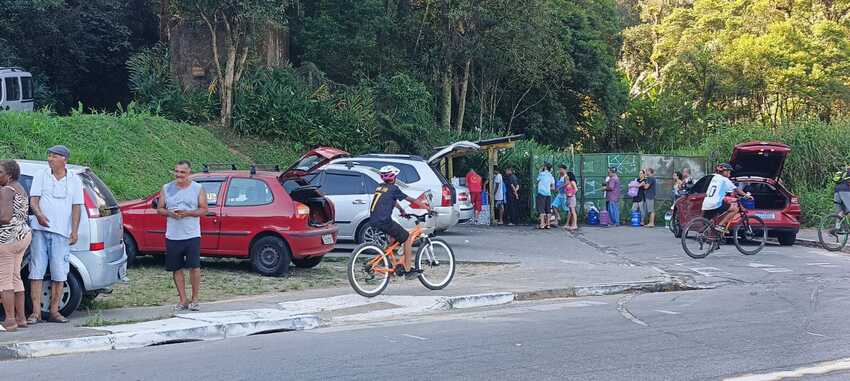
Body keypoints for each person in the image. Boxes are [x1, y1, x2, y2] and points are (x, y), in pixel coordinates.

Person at [28, 145, 83, 324]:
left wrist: (74, 231)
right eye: (49, 155)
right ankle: (35, 312)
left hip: (61, 233)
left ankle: (54, 310)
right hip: (40, 231)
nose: (50, 159)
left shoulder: (74, 179)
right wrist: (38, 214)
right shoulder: (41, 175)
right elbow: (34, 200)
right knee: (36, 269)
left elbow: (76, 207)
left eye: (54, 156)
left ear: (64, 159)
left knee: (60, 272)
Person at [157, 160, 208, 312]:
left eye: (182, 172)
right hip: (173, 235)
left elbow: (204, 209)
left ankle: (195, 299)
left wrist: (188, 213)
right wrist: (170, 213)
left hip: (192, 234)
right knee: (176, 268)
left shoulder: (197, 188)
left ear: (189, 173)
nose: (179, 175)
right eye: (177, 171)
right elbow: (160, 209)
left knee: (194, 267)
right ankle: (182, 299)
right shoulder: (167, 188)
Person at [371, 165, 431, 278]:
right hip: (385, 221)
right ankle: (408, 270)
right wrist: (427, 208)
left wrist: (401, 210)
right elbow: (411, 199)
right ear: (394, 178)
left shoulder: (380, 187)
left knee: (394, 240)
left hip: (374, 220)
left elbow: (392, 200)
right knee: (407, 238)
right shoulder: (394, 189)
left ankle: (382, 261)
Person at [0, 161, 32, 331]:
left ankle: (10, 321)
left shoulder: (6, 190)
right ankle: (21, 318)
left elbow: (4, 218)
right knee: (15, 277)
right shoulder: (19, 187)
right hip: (22, 235)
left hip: (7, 239)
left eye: (0, 172)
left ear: (9, 175)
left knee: (4, 281)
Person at [702, 163, 751, 232]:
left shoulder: (714, 177)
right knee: (735, 209)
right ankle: (721, 225)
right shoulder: (725, 180)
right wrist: (746, 195)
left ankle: (709, 236)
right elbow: (736, 189)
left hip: (706, 203)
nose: (730, 174)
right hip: (716, 203)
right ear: (725, 171)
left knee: (712, 220)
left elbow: (727, 190)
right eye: (729, 172)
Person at [536, 163, 555, 229]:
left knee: (541, 209)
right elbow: (553, 187)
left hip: (541, 193)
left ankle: (542, 224)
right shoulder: (551, 176)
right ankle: (548, 224)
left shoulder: (542, 174)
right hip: (548, 193)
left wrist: (540, 171)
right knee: (548, 209)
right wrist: (547, 187)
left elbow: (537, 179)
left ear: (545, 167)